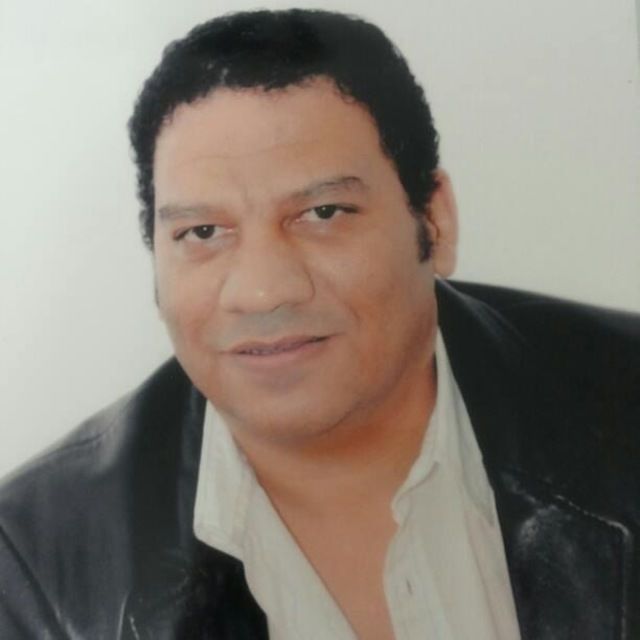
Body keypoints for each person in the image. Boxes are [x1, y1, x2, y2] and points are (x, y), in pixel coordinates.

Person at [0, 8, 638, 639]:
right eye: (203, 232)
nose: (262, 290)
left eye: (324, 213)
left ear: (434, 223)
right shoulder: (30, 568)